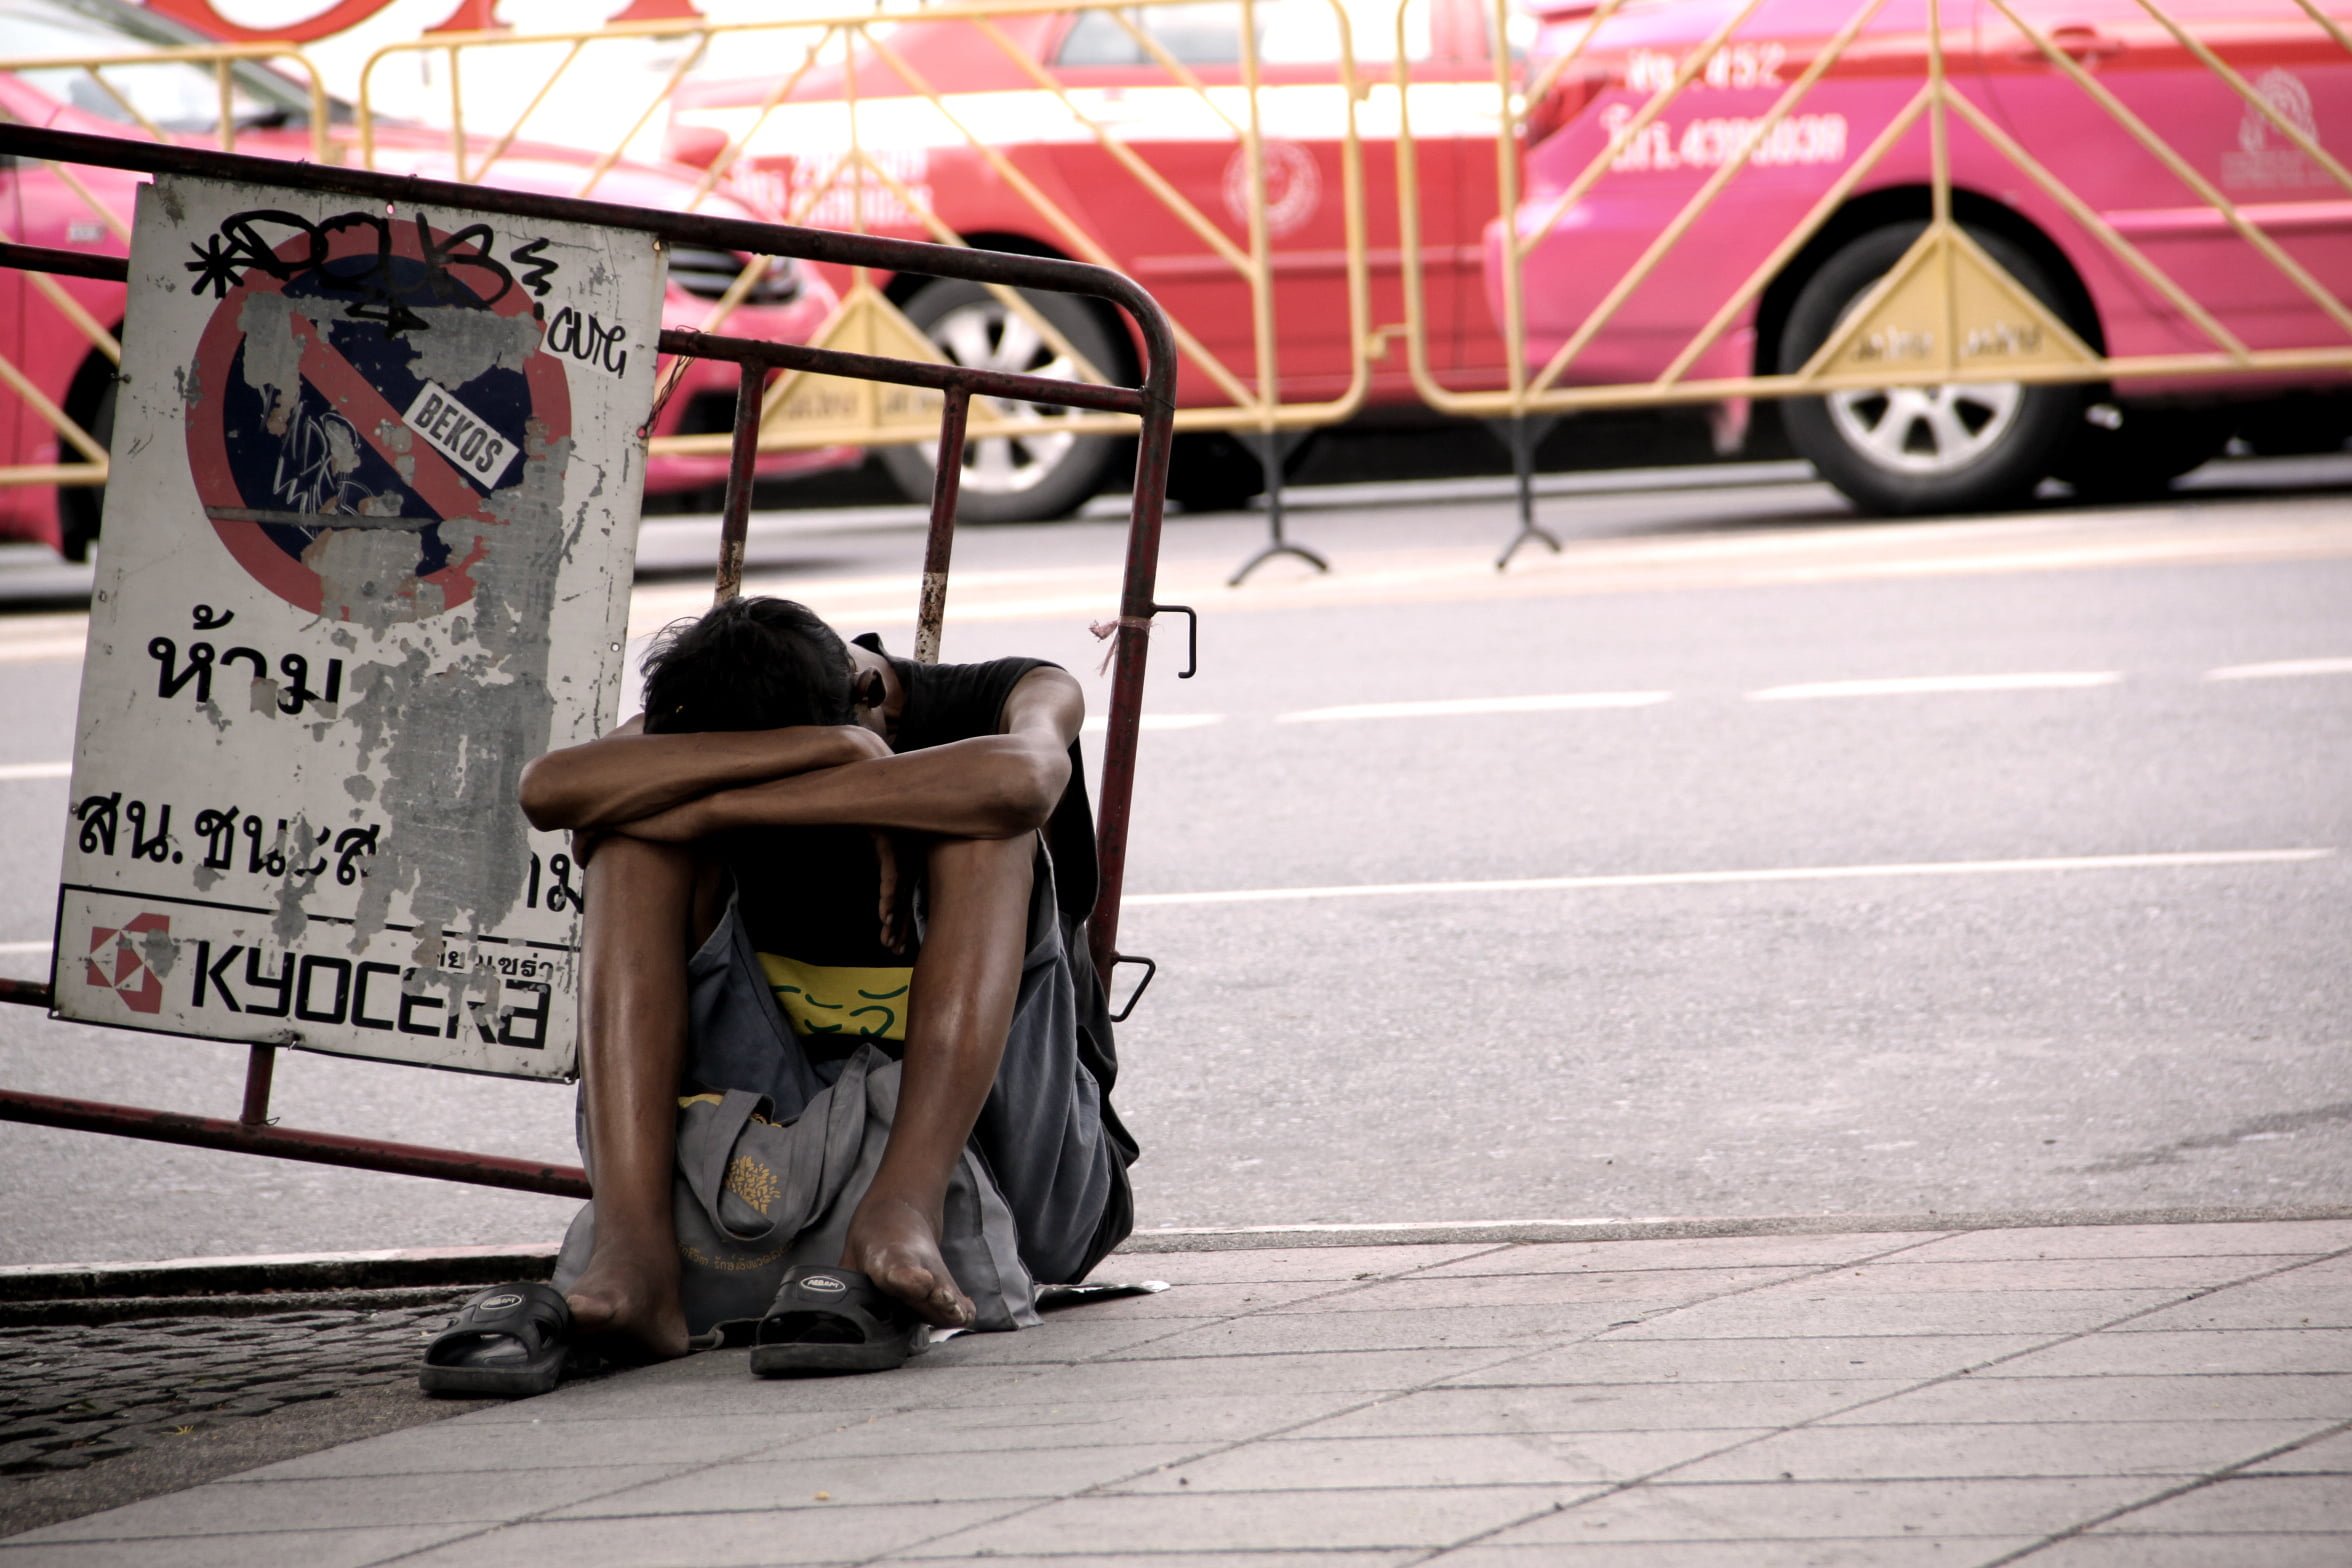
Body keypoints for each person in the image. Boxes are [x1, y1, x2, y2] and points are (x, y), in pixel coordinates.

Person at [502, 597, 1135, 1367]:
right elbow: (550, 788)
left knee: (984, 832)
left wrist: (723, 804)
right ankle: (635, 1255)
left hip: (1015, 1158)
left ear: (870, 697)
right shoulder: (731, 706)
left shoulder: (1006, 692)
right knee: (631, 845)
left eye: (816, 740)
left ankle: (903, 1209)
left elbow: (1022, 779)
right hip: (783, 1144)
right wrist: (836, 751)